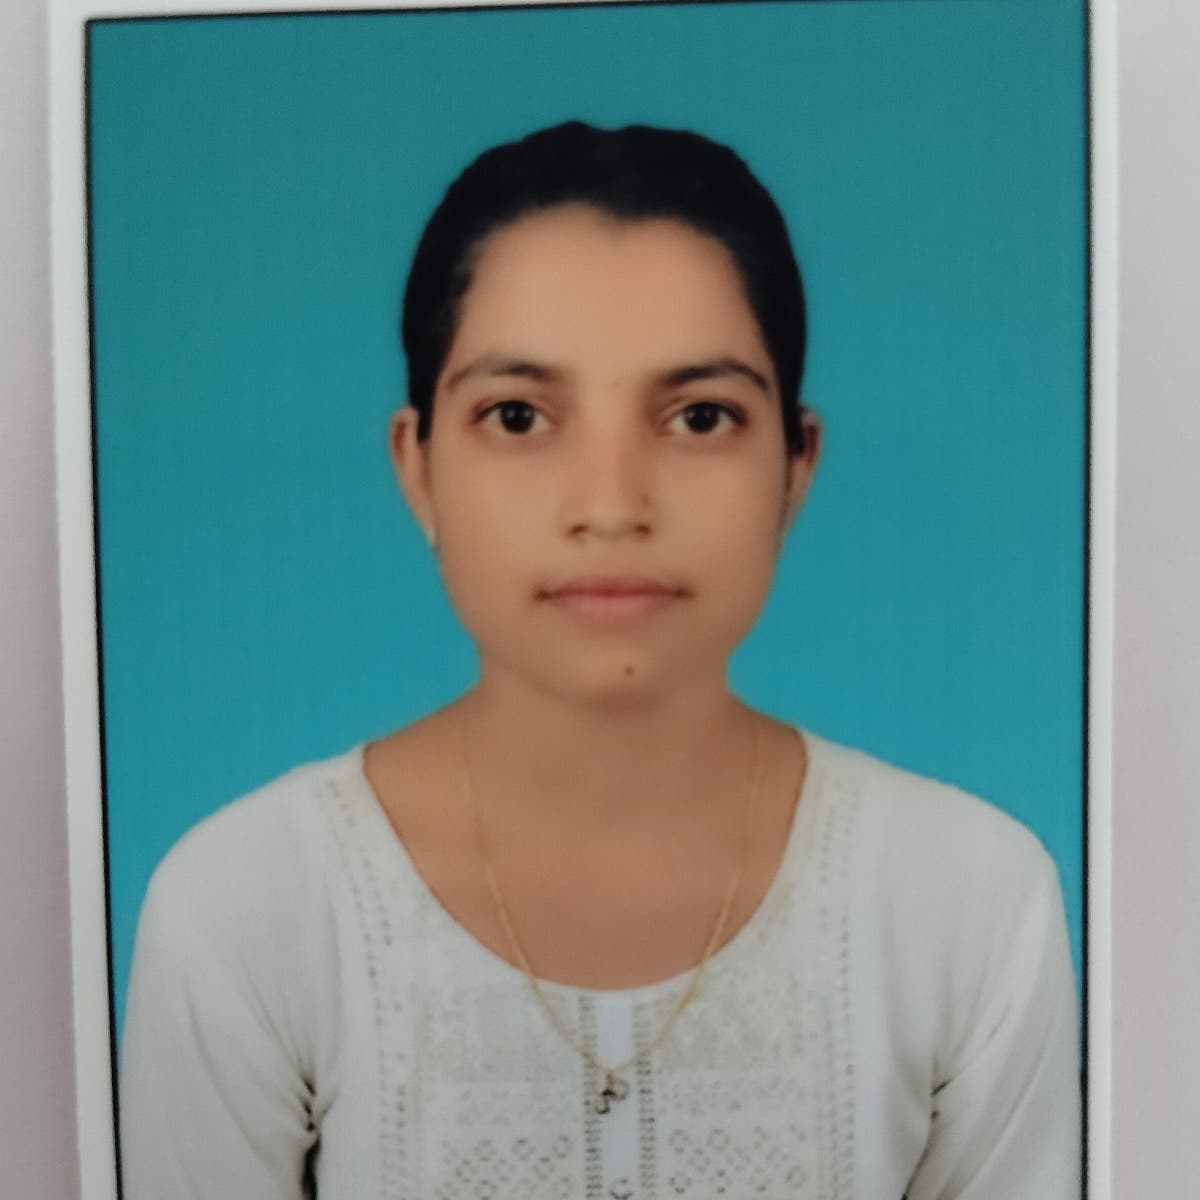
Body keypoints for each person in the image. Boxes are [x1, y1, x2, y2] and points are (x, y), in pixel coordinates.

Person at [119, 121, 1080, 1199]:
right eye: (518, 415)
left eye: (701, 416)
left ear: (795, 468)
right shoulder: (249, 909)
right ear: (419, 467)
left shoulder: (968, 903)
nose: (613, 504)